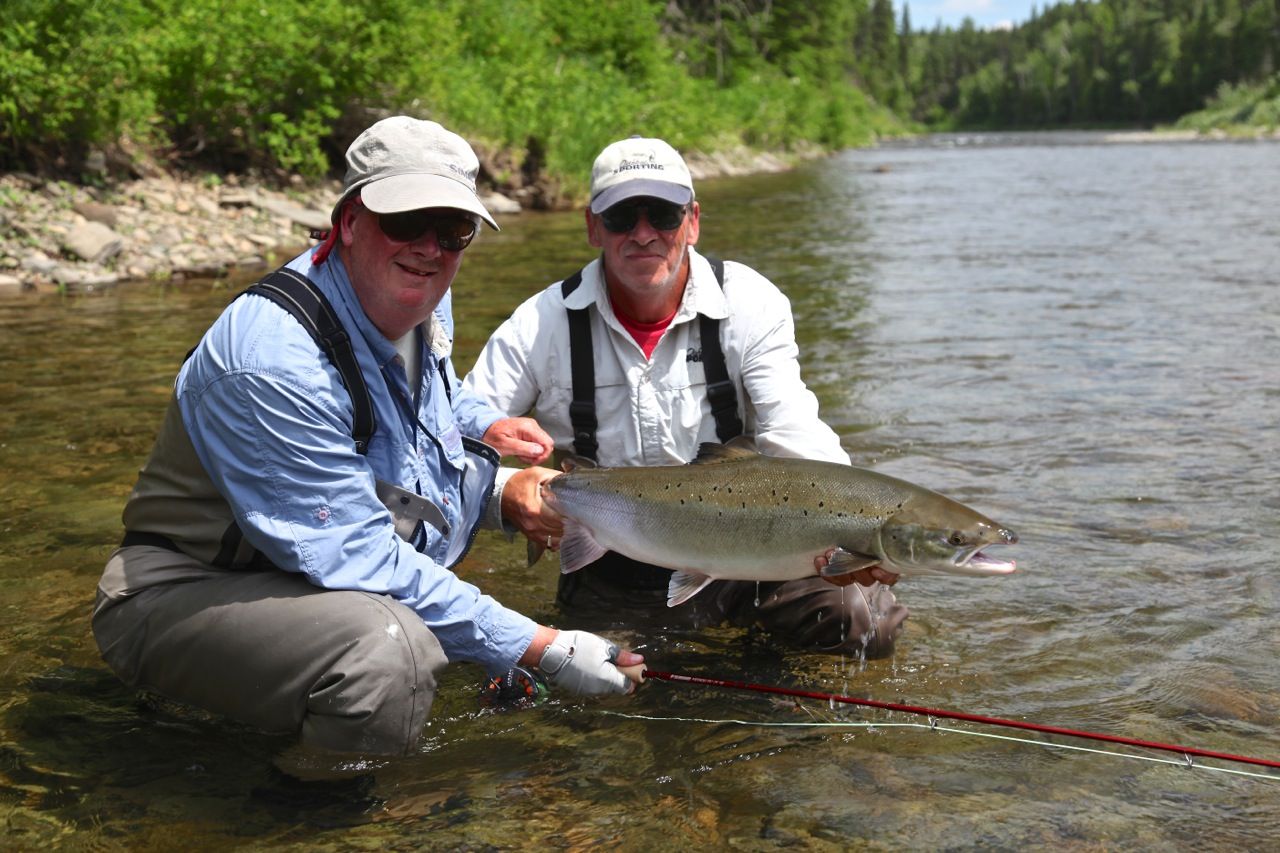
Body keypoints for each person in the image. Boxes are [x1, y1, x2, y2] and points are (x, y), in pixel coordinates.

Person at [92, 116, 642, 759]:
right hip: (179, 592)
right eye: (406, 221)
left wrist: (496, 470)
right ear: (348, 221)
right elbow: (359, 555)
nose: (430, 248)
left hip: (300, 577)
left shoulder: (419, 299)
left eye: (453, 230)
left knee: (432, 631)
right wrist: (540, 646)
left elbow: (421, 424)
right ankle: (311, 813)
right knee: (392, 653)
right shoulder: (272, 363)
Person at [463, 136, 908, 657]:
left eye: (664, 215)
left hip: (753, 546)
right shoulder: (538, 324)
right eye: (622, 217)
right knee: (605, 679)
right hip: (614, 555)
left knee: (858, 624)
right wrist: (506, 492)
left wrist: (854, 529)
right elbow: (452, 439)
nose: (644, 234)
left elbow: (795, 432)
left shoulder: (750, 303)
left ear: (693, 221)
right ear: (592, 227)